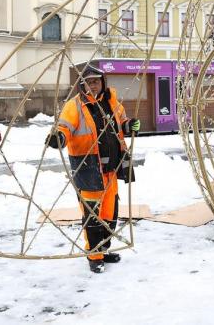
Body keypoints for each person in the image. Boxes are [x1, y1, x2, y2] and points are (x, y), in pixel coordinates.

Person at [47, 65, 140, 273]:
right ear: (82, 85)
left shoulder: (112, 103)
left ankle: (104, 249)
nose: (93, 85)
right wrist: (58, 138)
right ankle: (94, 255)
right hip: (89, 170)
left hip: (111, 170)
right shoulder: (75, 106)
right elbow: (64, 129)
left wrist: (130, 125)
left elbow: (121, 124)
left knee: (109, 214)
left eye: (96, 81)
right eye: (89, 82)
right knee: (92, 216)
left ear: (103, 82)